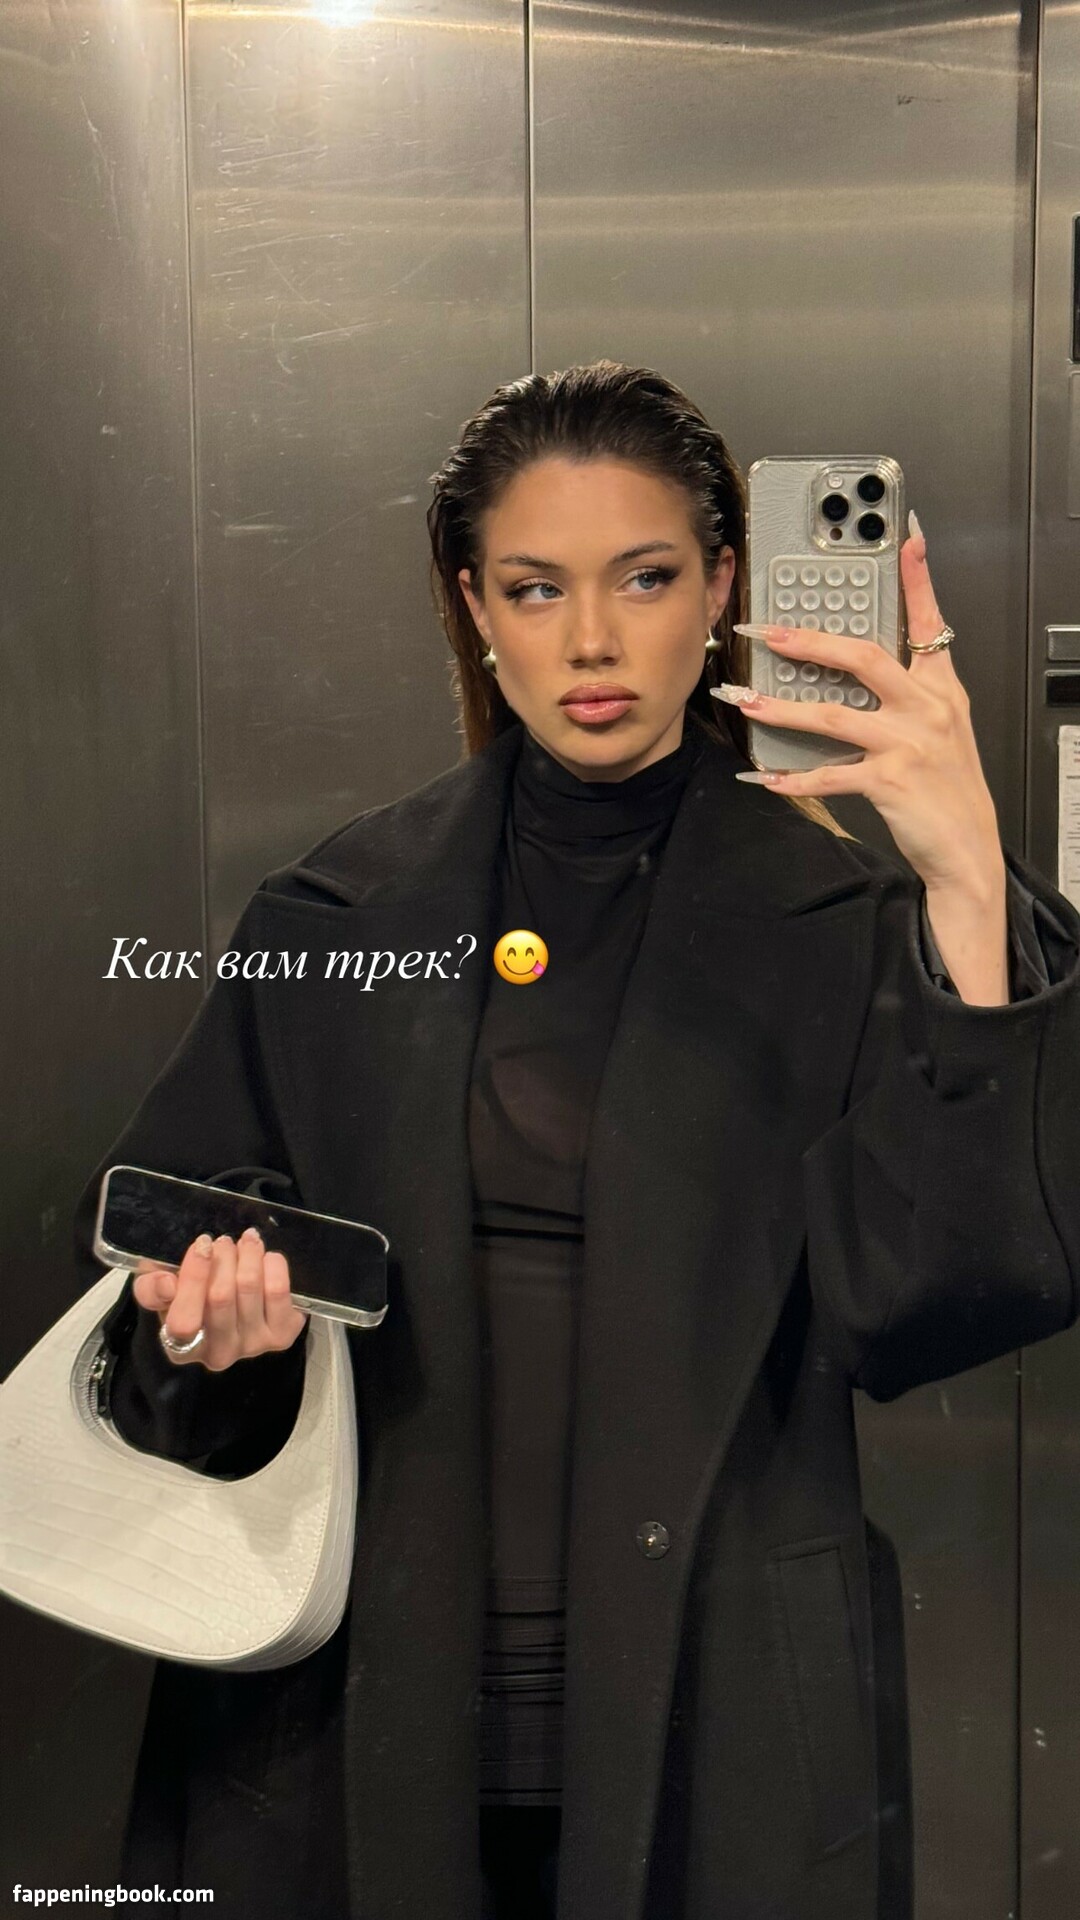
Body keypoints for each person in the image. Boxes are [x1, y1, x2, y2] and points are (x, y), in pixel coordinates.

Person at [71, 361, 1080, 1920]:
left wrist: (963, 878)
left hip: (724, 1732)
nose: (593, 642)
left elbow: (943, 1296)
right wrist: (214, 1330)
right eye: (537, 588)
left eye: (647, 578)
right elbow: (164, 1304)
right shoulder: (340, 914)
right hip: (354, 1721)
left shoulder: (843, 918)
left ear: (724, 586)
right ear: (476, 605)